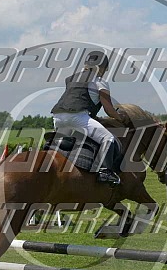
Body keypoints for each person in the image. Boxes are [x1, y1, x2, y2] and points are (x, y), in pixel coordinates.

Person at [51, 50, 126, 184]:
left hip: (57, 118)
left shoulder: (71, 78)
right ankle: (105, 172)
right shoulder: (99, 81)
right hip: (77, 117)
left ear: (86, 65)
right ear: (103, 68)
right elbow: (109, 110)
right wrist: (120, 117)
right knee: (108, 138)